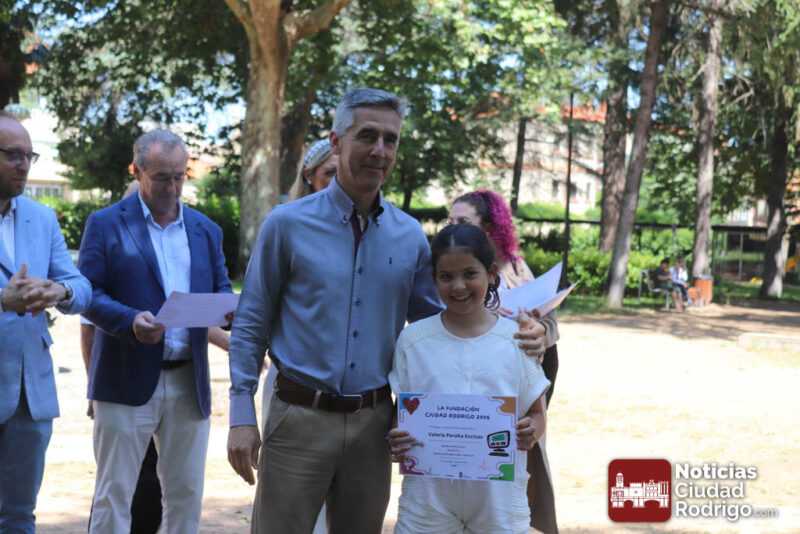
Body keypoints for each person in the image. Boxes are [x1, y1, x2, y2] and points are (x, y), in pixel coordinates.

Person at [227, 88, 550, 534]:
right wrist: (241, 415)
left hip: (374, 427)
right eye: (367, 136)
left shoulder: (409, 236)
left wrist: (526, 331)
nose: (380, 150)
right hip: (298, 418)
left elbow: (446, 319)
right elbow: (250, 323)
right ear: (336, 142)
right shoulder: (286, 225)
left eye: (390, 139)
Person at [78, 129, 232, 533]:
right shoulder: (105, 224)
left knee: (186, 495)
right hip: (123, 378)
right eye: (162, 177)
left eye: (179, 177)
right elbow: (87, 294)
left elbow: (220, 290)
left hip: (188, 382)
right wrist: (129, 321)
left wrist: (229, 312)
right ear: (137, 170)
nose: (172, 187)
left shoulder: (206, 230)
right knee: (114, 494)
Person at [388, 223, 550, 533]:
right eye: (446, 277)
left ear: (491, 274)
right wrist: (397, 437)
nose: (458, 286)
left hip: (499, 501)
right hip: (428, 499)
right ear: (434, 279)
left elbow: (538, 414)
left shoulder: (518, 339)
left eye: (470, 274)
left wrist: (532, 429)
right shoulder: (413, 341)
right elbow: (401, 414)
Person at [0, 110, 92, 532]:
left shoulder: (42, 217)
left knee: (20, 517)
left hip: (29, 394)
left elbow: (81, 285)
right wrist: (4, 299)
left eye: (29, 156)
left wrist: (61, 292)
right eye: (13, 155)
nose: (23, 165)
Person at [449, 188, 559, 532]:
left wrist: (539, 330)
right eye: (450, 220)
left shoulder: (516, 267)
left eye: (462, 220)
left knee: (505, 497)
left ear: (488, 227)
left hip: (510, 393)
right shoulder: (444, 264)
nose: (452, 227)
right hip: (460, 393)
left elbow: (549, 324)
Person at [262, 138, 338, 534]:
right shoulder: (286, 226)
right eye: (330, 174)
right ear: (309, 177)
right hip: (293, 386)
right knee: (290, 504)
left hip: (351, 394)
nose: (339, 183)